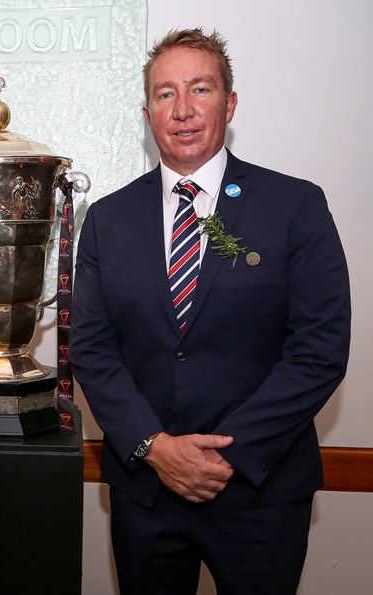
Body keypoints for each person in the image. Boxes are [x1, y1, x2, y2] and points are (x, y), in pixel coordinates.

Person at [70, 27, 350, 595]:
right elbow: (94, 350)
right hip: (146, 492)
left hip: (260, 491)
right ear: (147, 113)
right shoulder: (106, 219)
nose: (183, 109)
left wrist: (223, 456)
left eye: (201, 88)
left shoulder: (296, 205)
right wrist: (156, 447)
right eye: (166, 94)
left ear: (230, 102)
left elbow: (319, 350)